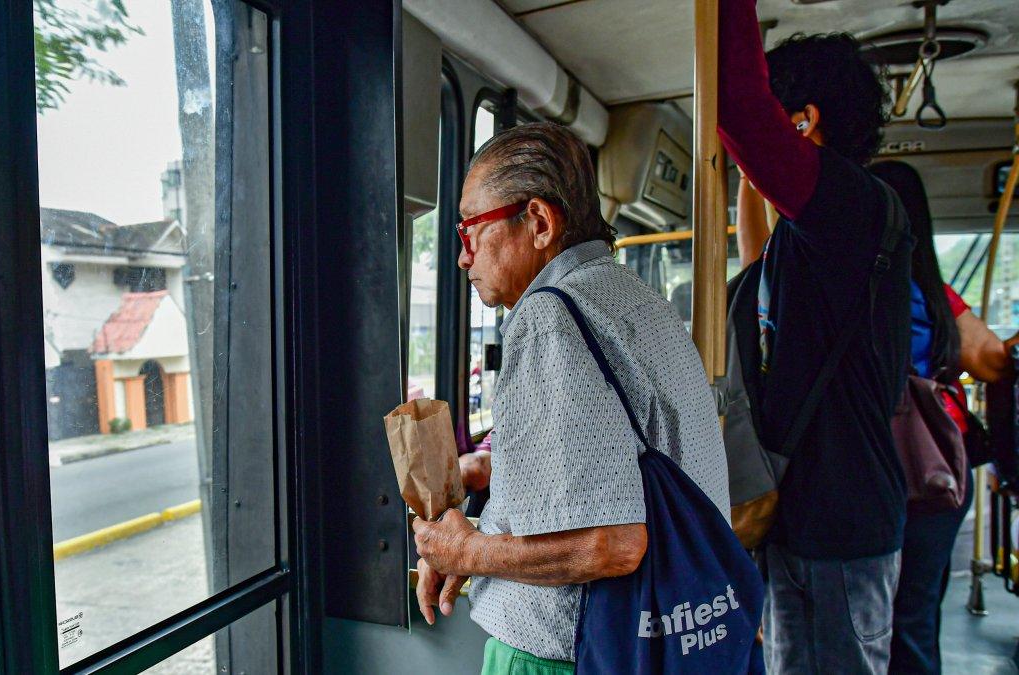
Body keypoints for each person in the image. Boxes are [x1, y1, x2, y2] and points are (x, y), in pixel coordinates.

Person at [412, 122, 729, 673]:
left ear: (537, 221)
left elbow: (612, 544)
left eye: (469, 231)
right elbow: (623, 452)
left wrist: (464, 551)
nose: (463, 258)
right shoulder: (632, 295)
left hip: (565, 653)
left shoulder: (549, 316)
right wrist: (501, 468)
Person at [720, 0, 914, 672]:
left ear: (806, 119)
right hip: (800, 519)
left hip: (845, 526)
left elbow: (740, 108)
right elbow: (754, 267)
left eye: (786, 117)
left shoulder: (857, 207)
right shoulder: (803, 243)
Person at [869, 160, 1019, 674]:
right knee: (915, 617)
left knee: (872, 616)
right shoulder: (933, 291)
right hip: (939, 468)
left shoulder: (851, 280)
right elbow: (996, 360)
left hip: (877, 468)